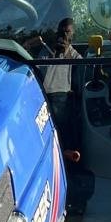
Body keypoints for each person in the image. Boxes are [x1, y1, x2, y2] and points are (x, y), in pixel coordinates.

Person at [41, 18, 81, 147]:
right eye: (61, 32)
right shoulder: (46, 51)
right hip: (41, 97)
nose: (64, 36)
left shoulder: (76, 58)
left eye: (67, 32)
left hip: (62, 99)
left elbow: (77, 87)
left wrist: (66, 52)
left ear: (72, 35)